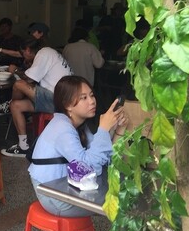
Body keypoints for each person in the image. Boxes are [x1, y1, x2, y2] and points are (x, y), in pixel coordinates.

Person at [29, 75, 127, 217]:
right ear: (68, 105)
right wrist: (103, 129)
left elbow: (105, 159)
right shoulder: (62, 128)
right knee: (124, 200)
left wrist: (119, 129)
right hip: (55, 198)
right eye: (84, 98)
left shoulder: (80, 126)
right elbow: (89, 169)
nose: (92, 101)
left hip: (68, 188)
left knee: (123, 195)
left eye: (91, 95)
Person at [0, 38, 72, 157]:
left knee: (18, 84)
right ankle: (23, 146)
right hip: (60, 99)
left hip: (57, 99)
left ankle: (7, 106)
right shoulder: (49, 53)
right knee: (15, 106)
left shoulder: (44, 53)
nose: (23, 57)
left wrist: (15, 70)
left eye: (23, 53)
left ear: (28, 50)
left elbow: (28, 79)